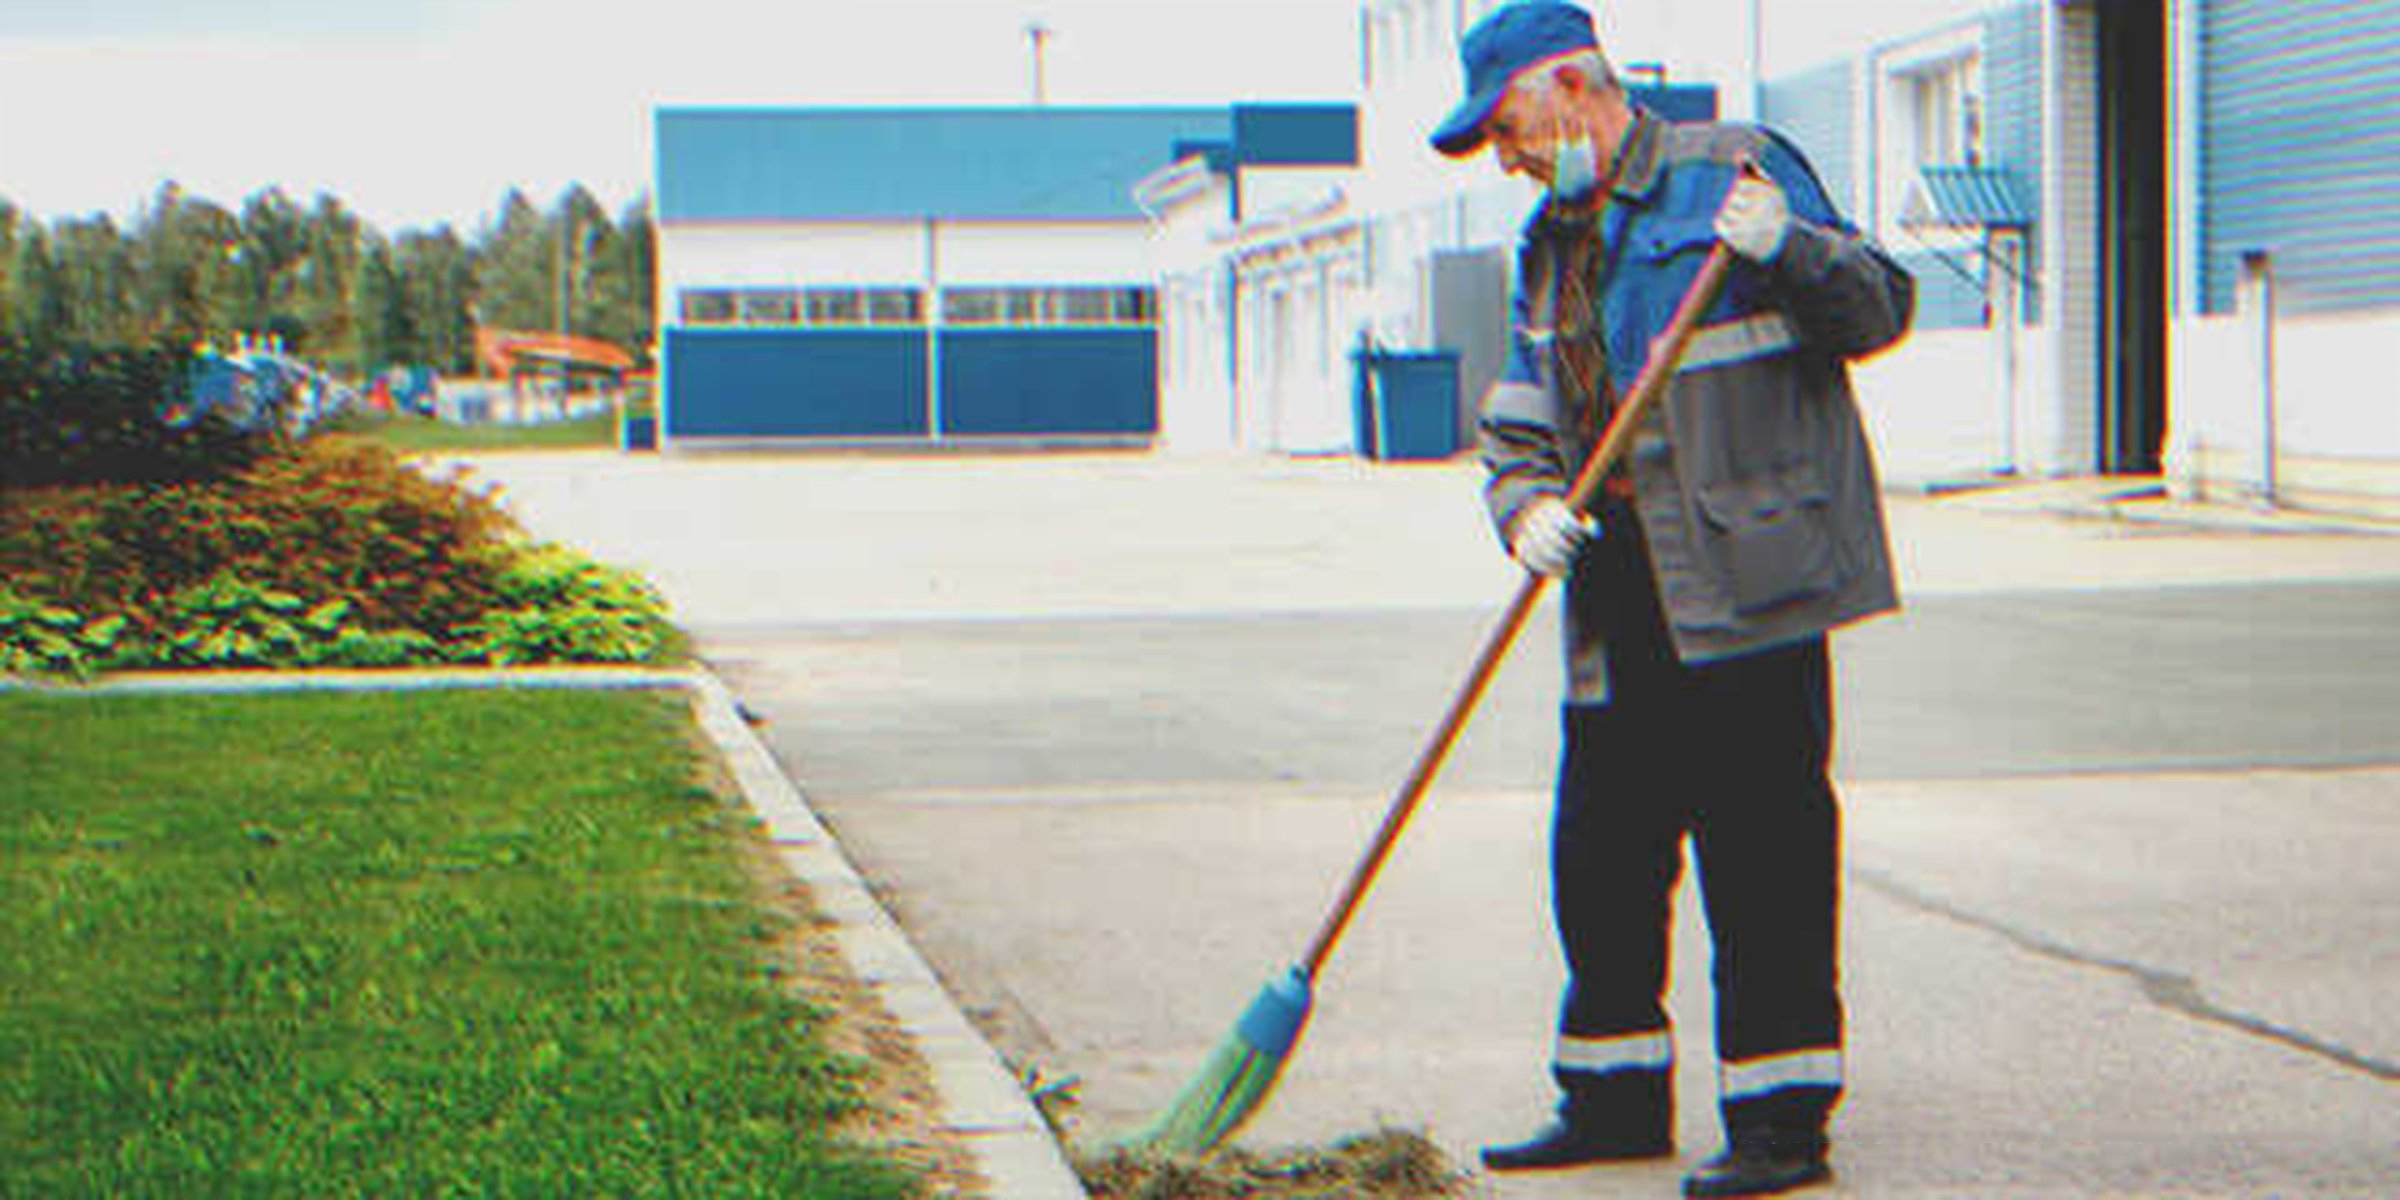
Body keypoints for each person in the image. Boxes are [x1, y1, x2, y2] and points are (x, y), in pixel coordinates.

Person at [1427, 3, 1914, 1197]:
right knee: (1601, 853)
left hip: (1748, 579)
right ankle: (1611, 1097)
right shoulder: (1549, 240)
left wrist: (1788, 244)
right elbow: (1520, 416)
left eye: (1507, 128)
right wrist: (1522, 507)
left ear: (1568, 88)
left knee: (1764, 852)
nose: (1507, 158)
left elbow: (1879, 310)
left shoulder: (1733, 172)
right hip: (1615, 588)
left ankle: (1780, 1122)